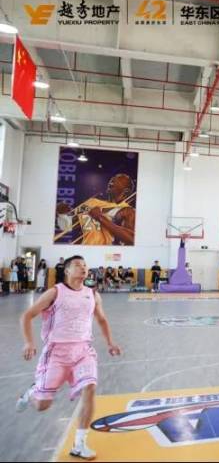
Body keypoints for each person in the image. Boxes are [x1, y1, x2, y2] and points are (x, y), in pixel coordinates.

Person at [16, 255, 122, 460]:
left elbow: (102, 319)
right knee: (42, 405)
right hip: (56, 353)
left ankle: (79, 444)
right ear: (67, 270)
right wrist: (29, 342)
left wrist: (110, 342)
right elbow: (26, 316)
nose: (83, 268)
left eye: (85, 265)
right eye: (78, 265)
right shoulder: (55, 292)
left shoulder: (92, 294)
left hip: (83, 351)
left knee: (90, 387)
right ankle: (32, 391)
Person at [80, 173, 136, 246]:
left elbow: (132, 239)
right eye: (114, 177)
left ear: (126, 191)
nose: (113, 180)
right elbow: (68, 224)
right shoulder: (91, 202)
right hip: (84, 249)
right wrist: (65, 214)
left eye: (119, 180)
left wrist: (100, 218)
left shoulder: (128, 211)